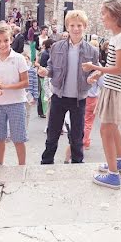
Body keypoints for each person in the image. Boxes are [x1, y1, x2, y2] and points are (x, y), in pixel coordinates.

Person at [82, 0, 121, 189]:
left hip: (115, 91)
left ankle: (113, 175)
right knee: (112, 128)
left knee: (106, 129)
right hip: (117, 88)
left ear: (115, 15)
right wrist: (100, 72)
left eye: (104, 13)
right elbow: (117, 66)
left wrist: (94, 67)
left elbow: (119, 68)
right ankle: (119, 161)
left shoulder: (120, 38)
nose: (102, 17)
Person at [37, 10, 100, 165]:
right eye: (72, 25)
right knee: (53, 133)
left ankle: (77, 163)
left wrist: (94, 76)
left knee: (77, 136)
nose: (76, 28)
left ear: (85, 27)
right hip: (59, 96)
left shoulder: (92, 51)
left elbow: (98, 69)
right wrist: (45, 72)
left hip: (79, 99)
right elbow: (51, 69)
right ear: (67, 27)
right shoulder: (56, 47)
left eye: (79, 25)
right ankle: (46, 162)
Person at [0, 24, 29, 165]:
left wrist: (5, 86)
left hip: (17, 102)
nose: (2, 44)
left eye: (6, 40)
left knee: (18, 138)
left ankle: (22, 166)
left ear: (11, 39)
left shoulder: (18, 59)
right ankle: (0, 164)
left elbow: (25, 82)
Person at [83, 38, 101, 152]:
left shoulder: (82, 63)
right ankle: (85, 141)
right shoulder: (97, 66)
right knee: (88, 121)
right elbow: (102, 83)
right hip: (92, 97)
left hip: (81, 95)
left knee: (79, 120)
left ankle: (77, 140)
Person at [23, 50, 38, 129]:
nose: (25, 60)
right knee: (21, 113)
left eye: (26, 59)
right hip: (21, 94)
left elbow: (35, 83)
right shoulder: (19, 70)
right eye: (23, 59)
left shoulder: (32, 70)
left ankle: (25, 129)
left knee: (28, 113)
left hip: (29, 94)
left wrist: (35, 96)